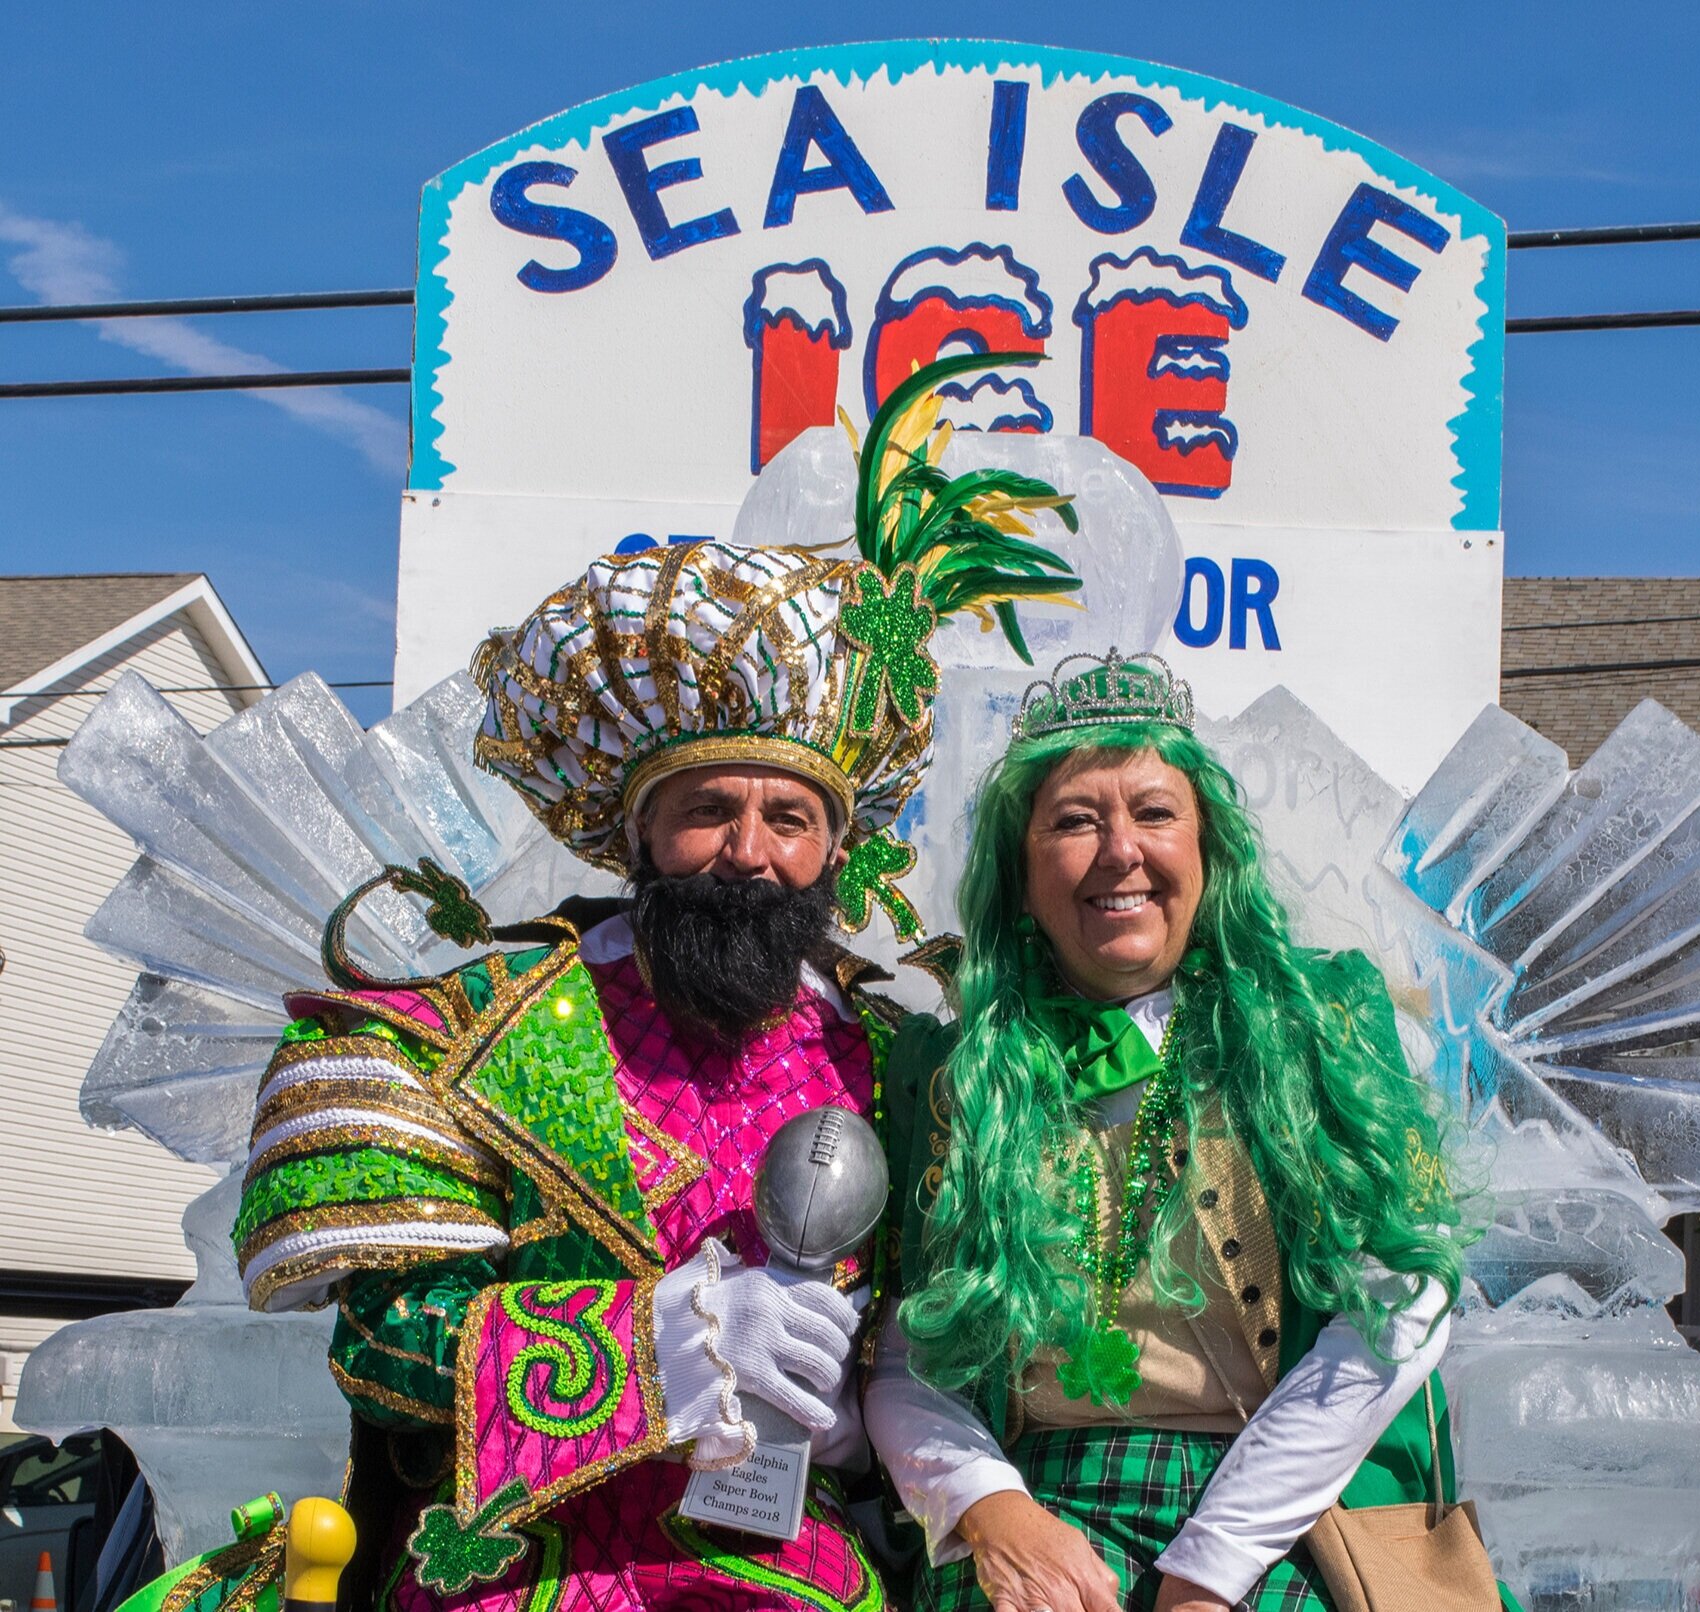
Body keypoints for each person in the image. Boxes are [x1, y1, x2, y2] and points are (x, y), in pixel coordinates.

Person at [228, 357, 1080, 1612]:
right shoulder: (459, 1032)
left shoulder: (892, 1058)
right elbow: (384, 1350)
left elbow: (929, 1331)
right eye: (706, 810)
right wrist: (659, 1349)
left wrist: (851, 1420)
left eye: (789, 815)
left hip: (789, 1566)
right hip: (514, 1567)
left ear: (836, 850)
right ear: (635, 836)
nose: (748, 851)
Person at [865, 650, 1516, 1612]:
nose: (1120, 849)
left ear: (1208, 850)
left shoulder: (1317, 1027)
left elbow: (1405, 1298)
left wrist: (1214, 1563)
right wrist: (989, 1506)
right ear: (1022, 869)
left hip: (1280, 1513)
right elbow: (903, 1355)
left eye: (1155, 813)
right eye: (1076, 821)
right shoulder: (955, 1071)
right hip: (1040, 1508)